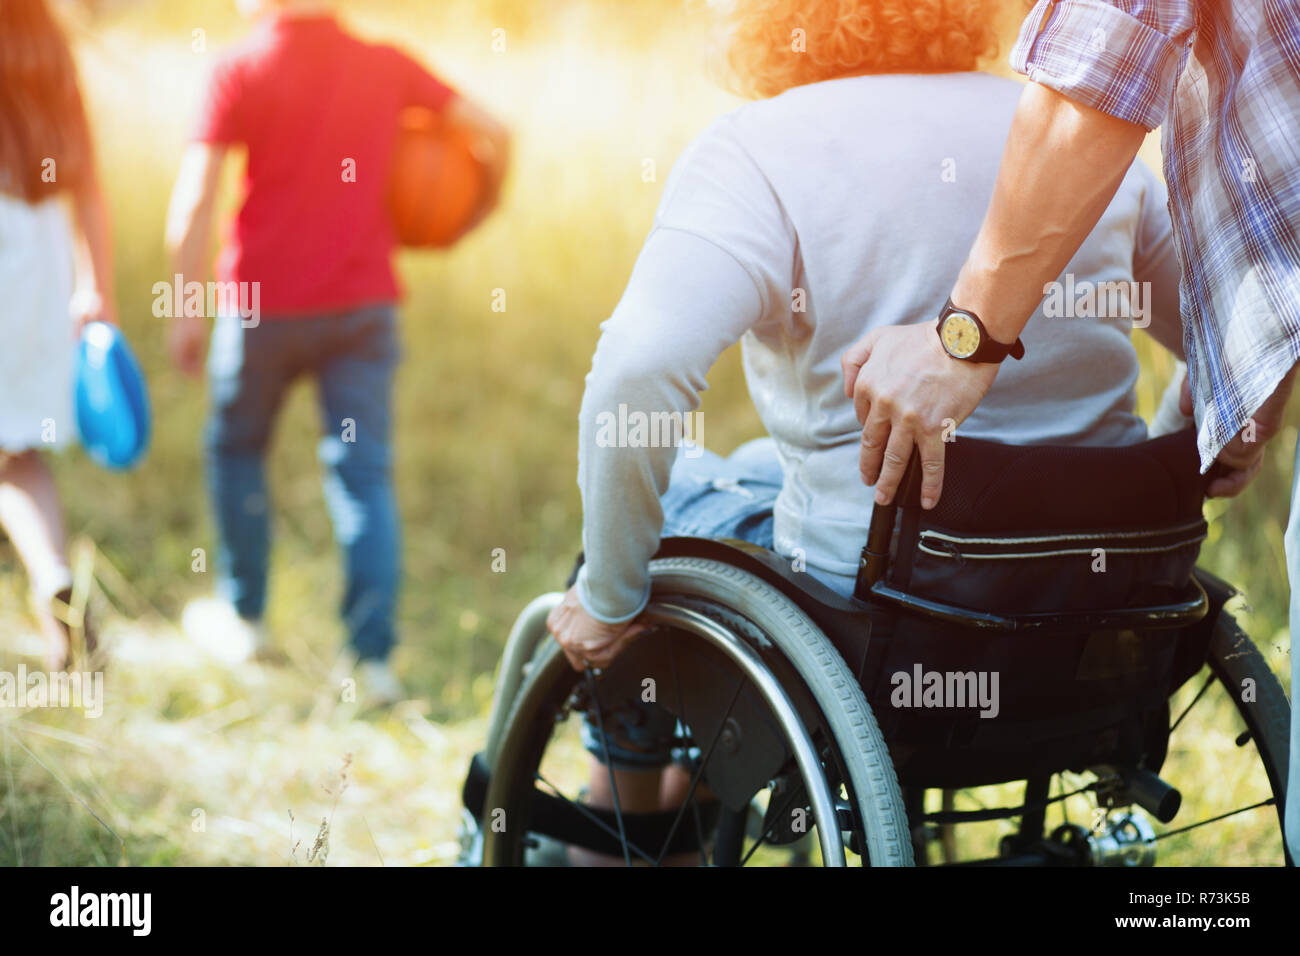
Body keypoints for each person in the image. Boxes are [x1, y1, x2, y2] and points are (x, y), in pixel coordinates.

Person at [545, 0, 1188, 864]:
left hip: (872, 618)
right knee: (747, 469)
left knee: (651, 526)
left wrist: (611, 594)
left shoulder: (761, 150)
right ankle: (681, 803)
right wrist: (1186, 441)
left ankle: (621, 834)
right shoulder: (1067, 139)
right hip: (1098, 610)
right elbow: (1232, 341)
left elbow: (636, 375)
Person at [839, 0, 1300, 861]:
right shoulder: (1129, 188)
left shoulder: (758, 145)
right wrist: (1240, 392)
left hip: (904, 605)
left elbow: (1099, 70)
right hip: (1100, 592)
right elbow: (1203, 320)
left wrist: (963, 339)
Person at [164, 0, 509, 701]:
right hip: (361, 308)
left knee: (237, 450)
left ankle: (245, 618)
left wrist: (182, 305)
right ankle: (372, 663)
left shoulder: (239, 66)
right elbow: (497, 130)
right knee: (362, 475)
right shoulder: (386, 64)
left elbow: (196, 194)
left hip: (260, 306)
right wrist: (468, 214)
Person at [0, 0, 116, 671]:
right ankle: (54, 582)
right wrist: (95, 288)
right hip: (40, 256)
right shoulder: (49, 47)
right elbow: (88, 182)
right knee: (18, 451)